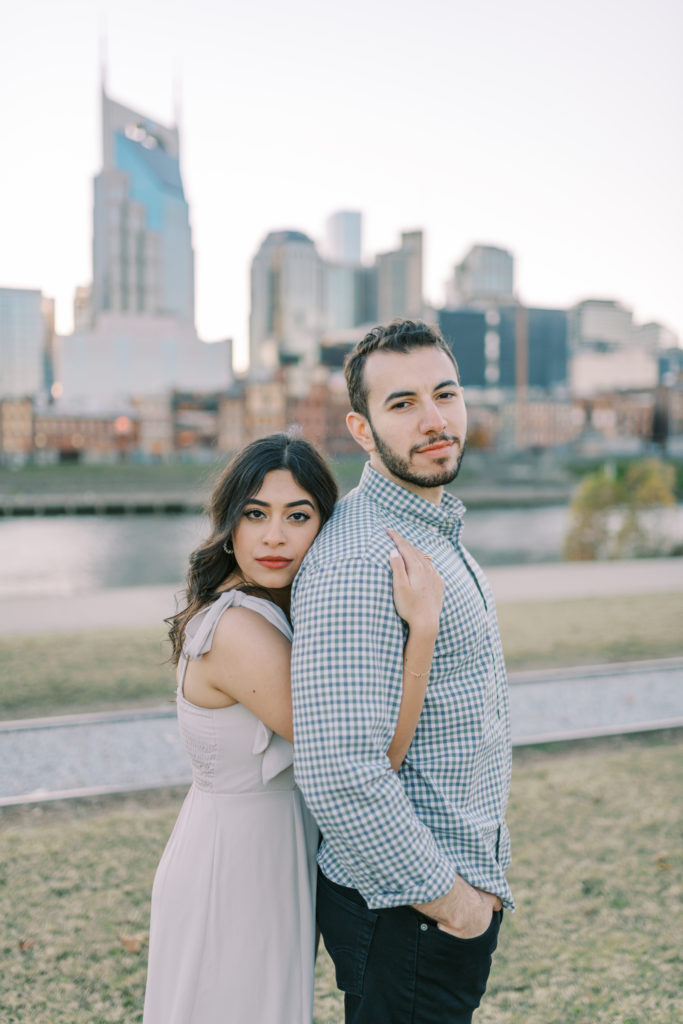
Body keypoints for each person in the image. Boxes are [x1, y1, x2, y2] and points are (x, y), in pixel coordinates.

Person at [142, 432, 444, 1024]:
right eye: (255, 514)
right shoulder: (239, 631)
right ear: (229, 523)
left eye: (297, 516)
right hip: (235, 871)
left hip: (259, 857)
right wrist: (422, 633)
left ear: (322, 527)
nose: (274, 536)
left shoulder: (260, 610)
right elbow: (376, 759)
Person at [291, 320, 514, 1024]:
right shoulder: (360, 562)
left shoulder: (427, 529)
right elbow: (339, 771)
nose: (433, 419)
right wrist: (451, 903)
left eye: (444, 394)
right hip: (408, 910)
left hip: (436, 894)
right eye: (402, 404)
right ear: (360, 430)